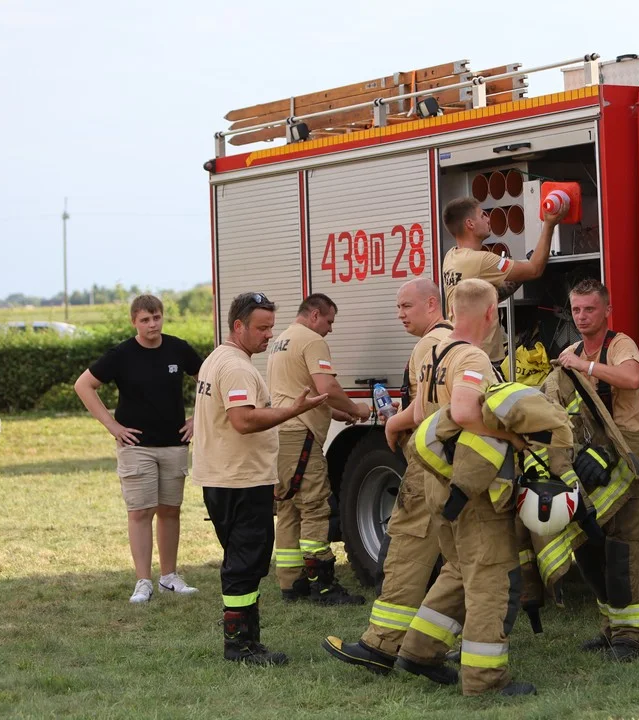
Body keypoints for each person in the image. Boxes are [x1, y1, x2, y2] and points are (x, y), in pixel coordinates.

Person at [395, 279, 536, 697]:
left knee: (458, 570)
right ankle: (485, 681)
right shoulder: (472, 356)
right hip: (473, 488)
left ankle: (419, 651)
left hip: (440, 485)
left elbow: (421, 412)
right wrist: (512, 437)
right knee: (490, 577)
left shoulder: (434, 353)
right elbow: (462, 409)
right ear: (491, 313)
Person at [322, 277, 452, 673]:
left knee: (407, 553)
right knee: (462, 564)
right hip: (453, 468)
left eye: (406, 306)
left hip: (428, 468)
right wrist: (397, 423)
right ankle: (424, 649)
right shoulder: (450, 345)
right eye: (398, 307)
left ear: (432, 304)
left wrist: (396, 426)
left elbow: (430, 410)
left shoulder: (430, 348)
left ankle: (382, 646)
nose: (399, 314)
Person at [192, 291, 327, 666]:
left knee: (243, 561)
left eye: (270, 327)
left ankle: (246, 638)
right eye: (262, 328)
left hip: (223, 478)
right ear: (239, 326)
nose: (269, 335)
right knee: (245, 563)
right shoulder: (236, 367)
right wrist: (292, 411)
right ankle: (240, 645)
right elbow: (243, 419)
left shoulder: (217, 358)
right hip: (239, 481)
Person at [74, 294, 203, 604]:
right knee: (140, 512)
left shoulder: (178, 348)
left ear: (162, 317)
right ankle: (143, 581)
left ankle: (169, 577)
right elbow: (83, 385)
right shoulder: (121, 354)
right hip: (136, 447)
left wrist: (199, 418)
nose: (152, 324)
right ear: (134, 322)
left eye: (156, 317)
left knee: (170, 511)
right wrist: (113, 426)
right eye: (145, 319)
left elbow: (209, 380)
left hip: (174, 444)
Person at [556, 278, 639, 661]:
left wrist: (586, 366)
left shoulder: (620, 344)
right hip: (590, 456)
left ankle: (632, 636)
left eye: (589, 309)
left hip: (627, 453)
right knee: (592, 545)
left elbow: (632, 378)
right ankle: (610, 629)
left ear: (606, 311)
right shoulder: (570, 351)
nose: (581, 316)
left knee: (627, 546)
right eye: (576, 309)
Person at [267, 293, 371, 605]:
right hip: (301, 435)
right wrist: (358, 408)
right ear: (315, 315)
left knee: (288, 508)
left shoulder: (281, 340)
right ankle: (323, 585)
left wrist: (339, 413)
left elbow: (303, 392)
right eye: (329, 321)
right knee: (314, 507)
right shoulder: (311, 340)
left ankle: (292, 582)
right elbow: (327, 387)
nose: (330, 329)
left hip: (281, 434)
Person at [440, 196, 566, 363]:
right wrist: (549, 224)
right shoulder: (480, 260)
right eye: (483, 215)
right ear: (470, 224)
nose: (488, 218)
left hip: (464, 351)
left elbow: (492, 296)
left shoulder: (451, 256)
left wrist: (517, 275)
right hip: (482, 356)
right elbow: (534, 269)